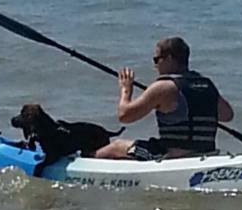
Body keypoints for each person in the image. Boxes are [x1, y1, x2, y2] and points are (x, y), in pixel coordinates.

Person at [95, 35, 234, 160]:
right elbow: (227, 115)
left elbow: (124, 116)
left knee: (117, 146)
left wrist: (126, 89)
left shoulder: (163, 87)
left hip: (172, 156)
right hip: (206, 153)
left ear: (169, 58)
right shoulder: (207, 85)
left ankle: (86, 167)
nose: (155, 66)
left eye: (157, 60)